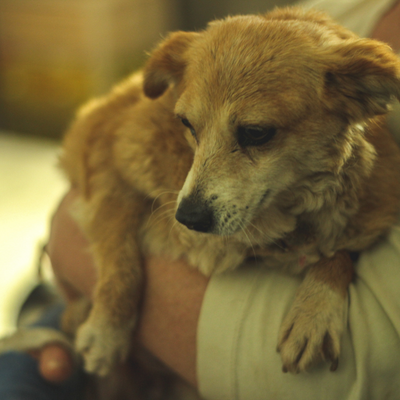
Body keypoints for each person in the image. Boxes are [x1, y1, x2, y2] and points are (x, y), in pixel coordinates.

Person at [1, 0, 399, 398]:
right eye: (191, 126)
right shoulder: (344, 9)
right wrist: (108, 295)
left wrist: (333, 271)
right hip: (92, 313)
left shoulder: (347, 93)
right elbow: (95, 164)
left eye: (255, 134)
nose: (192, 200)